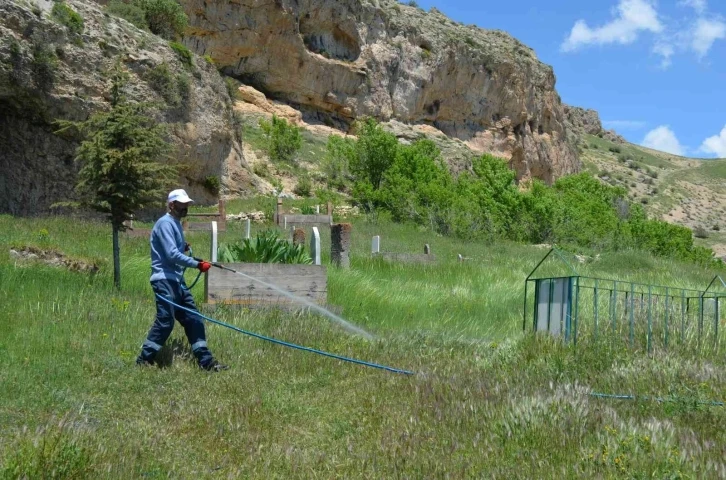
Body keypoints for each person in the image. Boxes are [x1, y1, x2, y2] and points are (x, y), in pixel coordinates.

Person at [136, 189, 229, 372]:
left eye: (187, 204)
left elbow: (172, 248)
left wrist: (182, 246)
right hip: (164, 280)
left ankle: (206, 362)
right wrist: (197, 264)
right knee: (165, 321)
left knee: (194, 319)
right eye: (182, 204)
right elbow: (171, 255)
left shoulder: (175, 223)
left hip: (176, 281)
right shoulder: (164, 223)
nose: (185, 207)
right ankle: (143, 361)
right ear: (172, 205)